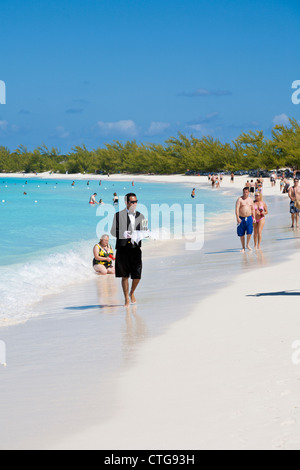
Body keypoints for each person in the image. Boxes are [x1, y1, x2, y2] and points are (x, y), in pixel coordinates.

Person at [111, 193, 145, 307]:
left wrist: (147, 234)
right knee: (124, 275)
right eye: (132, 202)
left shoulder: (141, 215)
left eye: (136, 201)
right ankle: (126, 298)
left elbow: (144, 230)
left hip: (135, 249)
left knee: (137, 275)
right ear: (126, 202)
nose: (134, 204)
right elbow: (112, 231)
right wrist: (122, 233)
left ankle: (132, 292)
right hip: (123, 249)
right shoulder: (118, 215)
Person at [236, 187, 254, 252]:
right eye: (244, 192)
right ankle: (243, 247)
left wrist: (253, 217)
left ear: (248, 192)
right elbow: (237, 209)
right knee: (241, 233)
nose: (245, 193)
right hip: (241, 218)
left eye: (246, 192)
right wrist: (237, 217)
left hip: (249, 217)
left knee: (249, 232)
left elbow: (253, 209)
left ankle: (247, 244)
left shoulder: (250, 200)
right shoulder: (240, 199)